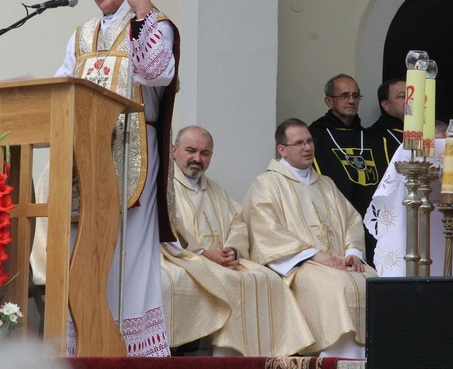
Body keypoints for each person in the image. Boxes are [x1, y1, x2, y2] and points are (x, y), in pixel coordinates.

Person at [53, 0, 180, 357]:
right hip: (86, 159)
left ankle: (132, 353)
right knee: (83, 252)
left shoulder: (154, 23)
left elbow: (155, 72)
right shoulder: (82, 34)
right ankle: (86, 346)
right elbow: (61, 87)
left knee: (128, 259)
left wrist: (142, 13)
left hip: (133, 153)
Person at [160, 126, 313, 356]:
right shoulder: (163, 186)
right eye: (191, 150)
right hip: (184, 258)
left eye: (205, 153)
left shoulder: (215, 190)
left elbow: (238, 221)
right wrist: (202, 253)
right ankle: (213, 352)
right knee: (211, 281)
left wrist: (232, 249)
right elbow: (168, 227)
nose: (197, 158)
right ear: (174, 150)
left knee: (266, 278)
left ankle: (252, 356)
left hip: (222, 261)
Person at [242, 118, 378, 359]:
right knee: (338, 287)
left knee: (375, 281)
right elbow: (265, 230)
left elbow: (351, 220)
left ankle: (374, 354)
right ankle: (338, 356)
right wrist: (314, 254)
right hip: (299, 265)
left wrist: (353, 253)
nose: (307, 147)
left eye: (309, 141)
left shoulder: (325, 183)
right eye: (299, 143)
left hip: (339, 262)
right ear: (282, 149)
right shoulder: (267, 184)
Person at [308, 74, 390, 265]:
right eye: (344, 95)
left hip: (373, 218)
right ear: (329, 101)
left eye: (356, 96)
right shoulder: (314, 136)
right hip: (336, 217)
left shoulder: (374, 139)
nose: (351, 100)